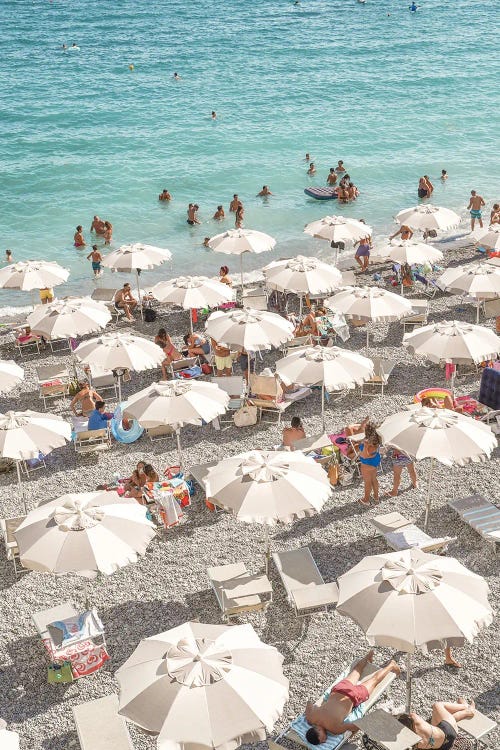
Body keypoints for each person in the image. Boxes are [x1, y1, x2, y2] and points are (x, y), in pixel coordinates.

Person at [305, 651, 401, 742]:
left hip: (353, 696)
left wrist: (351, 734)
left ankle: (391, 665)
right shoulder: (310, 717)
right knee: (356, 670)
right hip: (340, 689)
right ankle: (367, 657)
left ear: (318, 731)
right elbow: (309, 703)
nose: (325, 740)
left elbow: (356, 726)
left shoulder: (334, 729)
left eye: (322, 740)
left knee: (374, 680)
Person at [398, 699, 476, 750]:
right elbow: (408, 712)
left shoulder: (415, 743)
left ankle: (464, 708)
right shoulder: (415, 720)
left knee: (447, 719)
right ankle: (467, 709)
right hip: (448, 733)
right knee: (437, 705)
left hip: (442, 746)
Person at [357, 422, 381, 506]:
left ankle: (366, 499)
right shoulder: (377, 440)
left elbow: (365, 455)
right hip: (375, 461)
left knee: (367, 482)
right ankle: (376, 497)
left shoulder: (368, 444)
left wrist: (365, 446)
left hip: (367, 463)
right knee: (373, 479)